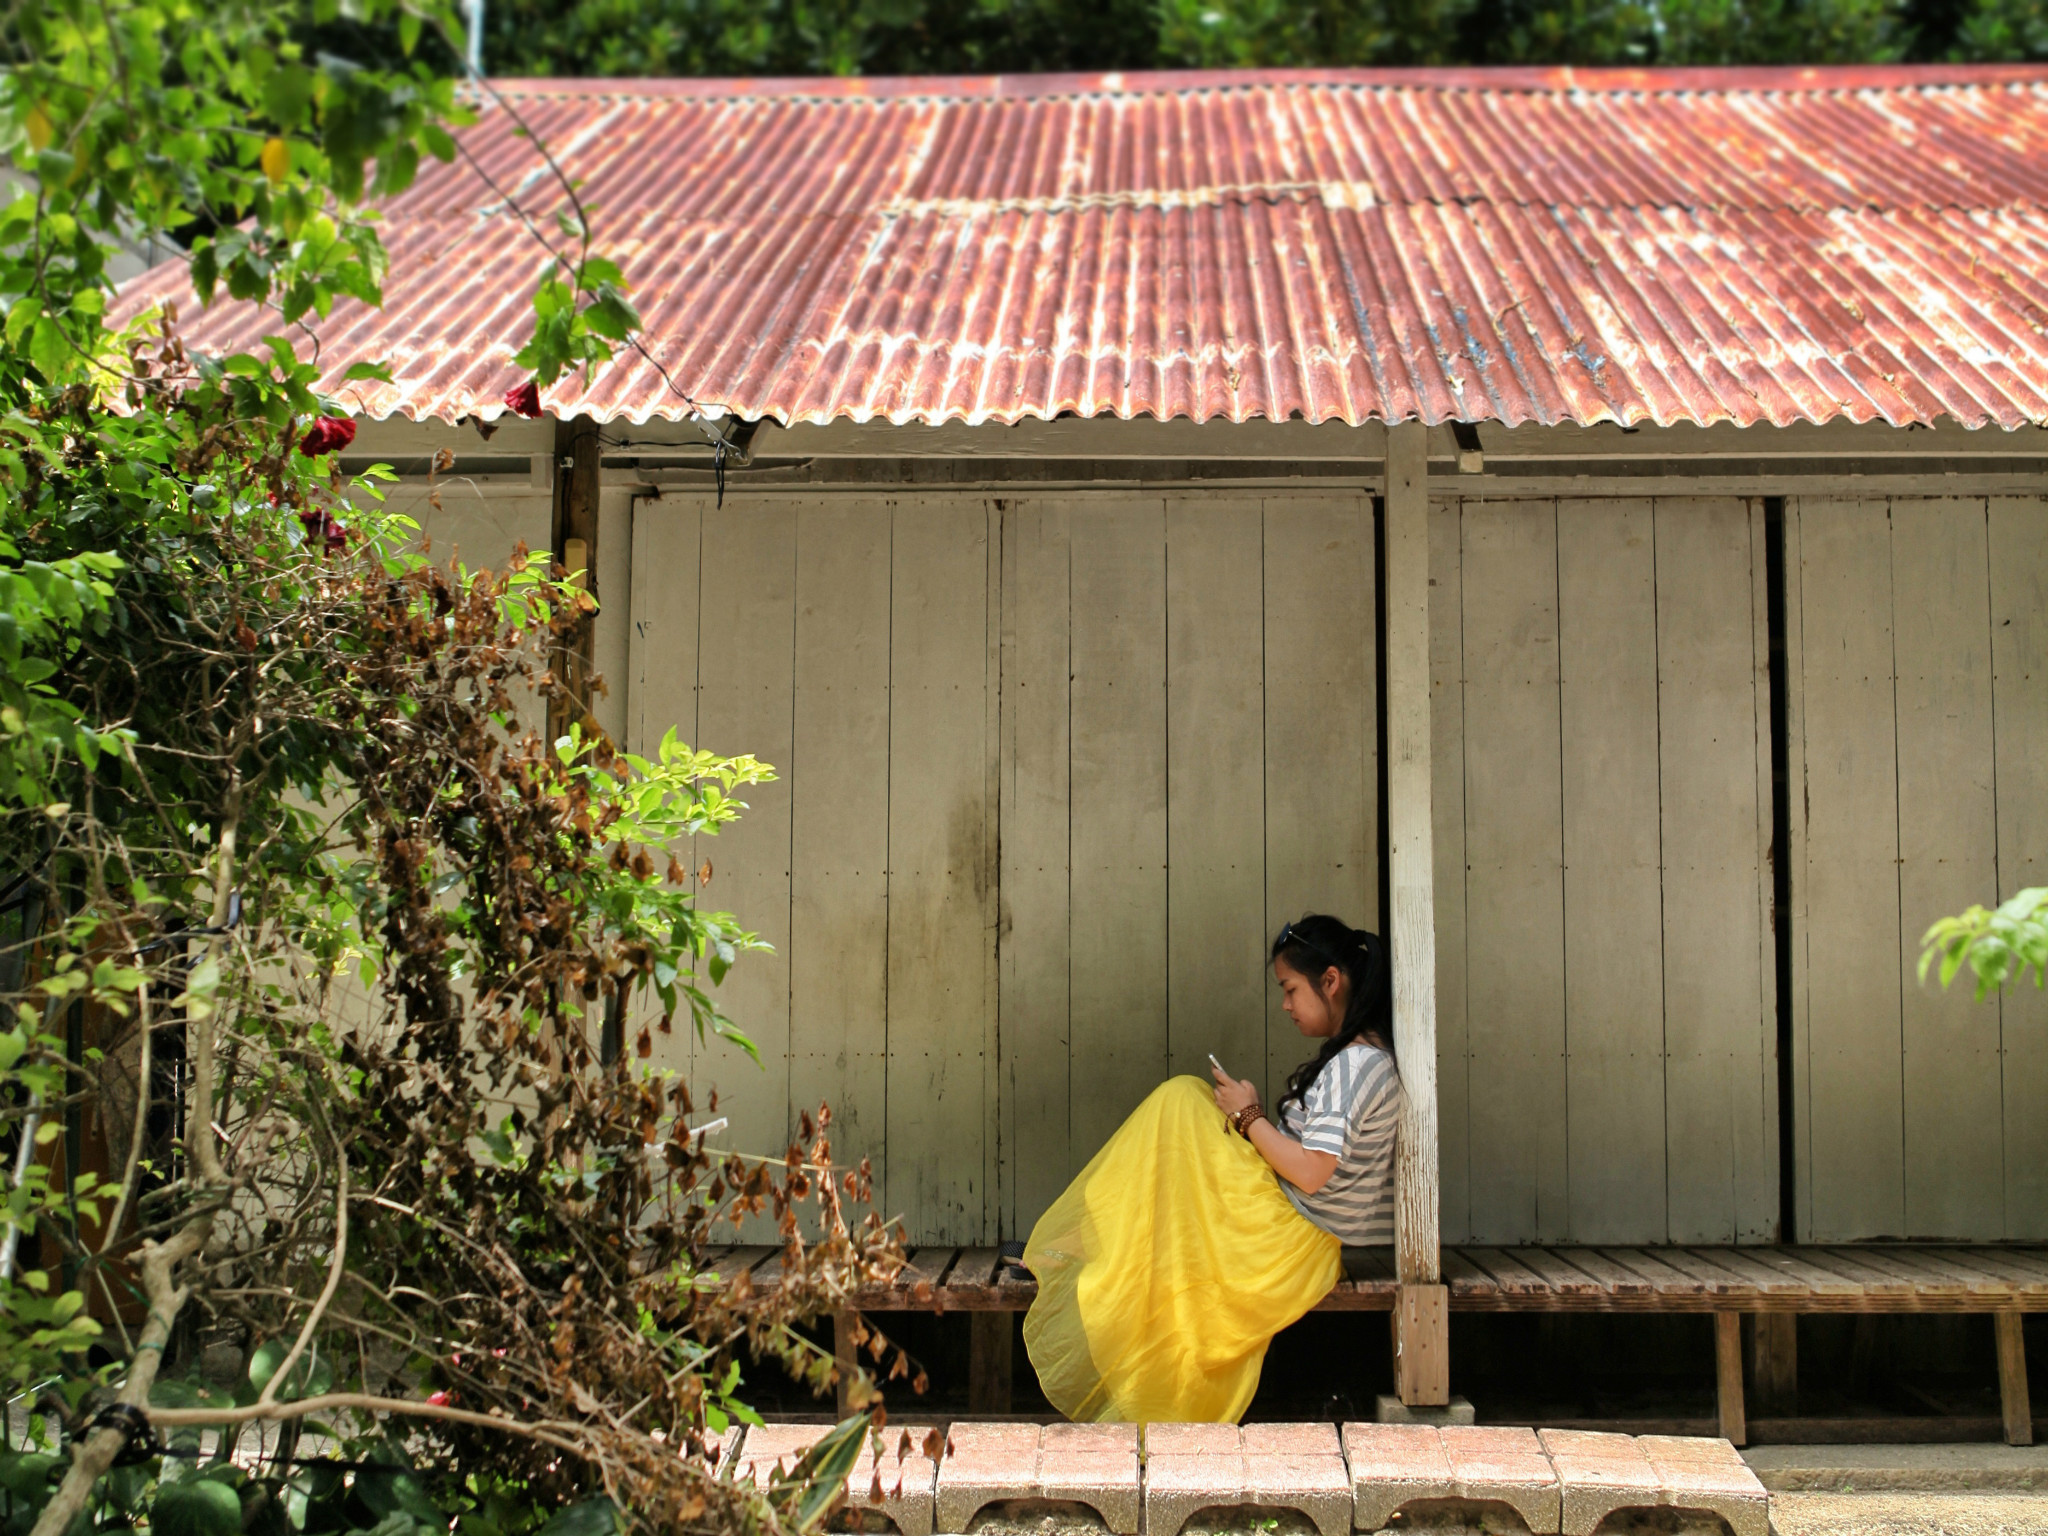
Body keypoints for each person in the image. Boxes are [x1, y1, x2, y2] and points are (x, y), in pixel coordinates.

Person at [1018, 914, 1402, 1423]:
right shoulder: (1365, 1061)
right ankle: (1102, 1244)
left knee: (1181, 1100)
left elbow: (1312, 1173)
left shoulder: (1354, 1066)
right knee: (1187, 1108)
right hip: (1298, 1232)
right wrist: (1252, 1120)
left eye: (1290, 988)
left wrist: (1249, 1116)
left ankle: (1095, 1247)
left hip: (1291, 1239)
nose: (1285, 1004)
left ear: (1330, 981)